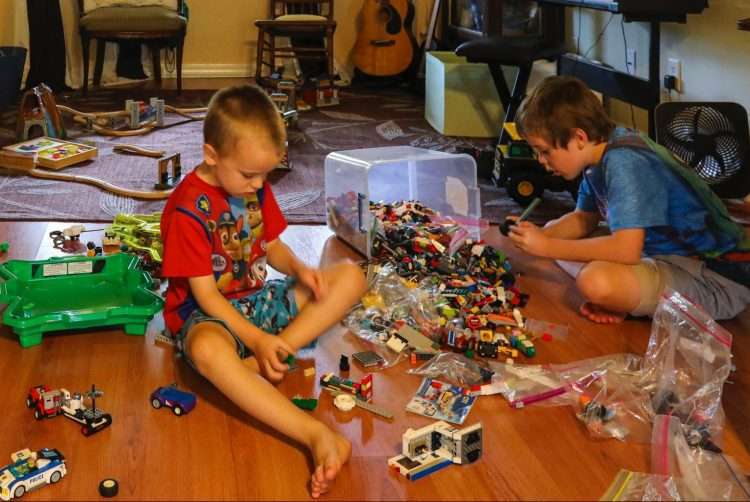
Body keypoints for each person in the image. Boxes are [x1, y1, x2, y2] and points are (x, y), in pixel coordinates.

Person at [160, 84, 367, 497]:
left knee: (351, 276)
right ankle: (313, 434)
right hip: (208, 319)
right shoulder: (187, 210)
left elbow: (271, 247)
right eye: (250, 175)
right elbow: (207, 297)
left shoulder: (252, 187)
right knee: (205, 350)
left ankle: (268, 360)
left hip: (257, 303)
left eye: (266, 175)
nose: (258, 185)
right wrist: (255, 340)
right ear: (211, 155)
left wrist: (301, 269)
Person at [507, 76, 750, 323]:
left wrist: (546, 247)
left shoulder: (624, 162)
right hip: (658, 256)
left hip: (716, 280)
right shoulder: (599, 155)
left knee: (595, 281)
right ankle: (632, 297)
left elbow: (626, 249)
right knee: (552, 231)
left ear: (578, 137)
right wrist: (536, 236)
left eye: (544, 151)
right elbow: (584, 218)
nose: (540, 160)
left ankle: (628, 298)